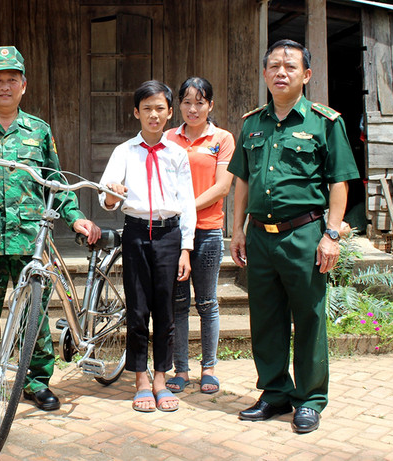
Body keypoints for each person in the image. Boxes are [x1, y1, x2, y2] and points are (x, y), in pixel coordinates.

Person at [0, 46, 101, 415]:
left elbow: (55, 183)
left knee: (35, 315)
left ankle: (35, 382)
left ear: (23, 85)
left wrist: (74, 215)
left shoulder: (38, 131)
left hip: (31, 240)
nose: (5, 86)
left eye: (11, 79)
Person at [228, 39, 358, 434]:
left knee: (309, 317)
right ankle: (274, 392)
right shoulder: (252, 123)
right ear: (265, 73)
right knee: (265, 319)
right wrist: (237, 229)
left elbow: (340, 181)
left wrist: (331, 234)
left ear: (307, 75)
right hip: (261, 239)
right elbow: (243, 182)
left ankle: (310, 399)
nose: (281, 72)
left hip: (305, 234)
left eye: (289, 66)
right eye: (274, 66)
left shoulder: (325, 122)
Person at [98, 80, 197, 412]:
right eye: (146, 109)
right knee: (138, 308)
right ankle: (140, 378)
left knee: (165, 310)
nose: (153, 115)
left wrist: (186, 247)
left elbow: (187, 202)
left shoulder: (178, 154)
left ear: (170, 112)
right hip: (137, 233)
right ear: (136, 113)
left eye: (159, 109)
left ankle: (160, 377)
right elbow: (107, 198)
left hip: (169, 236)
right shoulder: (124, 151)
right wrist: (113, 193)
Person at [165, 77, 235, 395]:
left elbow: (222, 187)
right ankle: (180, 369)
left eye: (200, 102)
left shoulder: (222, 139)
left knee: (206, 302)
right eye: (187, 102)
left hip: (208, 231)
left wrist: (186, 208)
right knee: (177, 304)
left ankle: (209, 368)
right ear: (179, 105)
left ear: (211, 106)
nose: (193, 109)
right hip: (173, 234)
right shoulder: (167, 138)